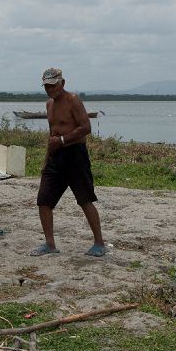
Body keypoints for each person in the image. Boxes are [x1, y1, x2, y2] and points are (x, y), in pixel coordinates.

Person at [30, 67, 107, 257]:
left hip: (75, 155)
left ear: (62, 83)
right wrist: (46, 160)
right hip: (56, 157)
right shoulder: (49, 105)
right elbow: (52, 135)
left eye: (53, 86)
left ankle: (99, 243)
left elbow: (86, 127)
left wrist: (64, 140)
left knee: (85, 199)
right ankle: (49, 244)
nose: (50, 90)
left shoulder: (73, 100)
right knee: (44, 200)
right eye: (47, 87)